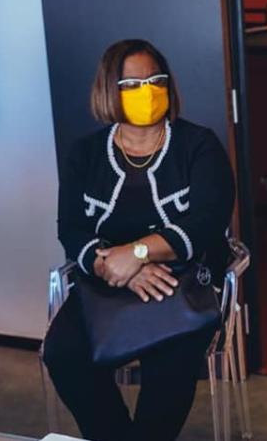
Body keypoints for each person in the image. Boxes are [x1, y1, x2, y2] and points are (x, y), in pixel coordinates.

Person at [42, 39, 235, 441]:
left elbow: (207, 220)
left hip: (181, 283)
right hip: (106, 282)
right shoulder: (85, 153)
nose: (146, 91)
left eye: (155, 80)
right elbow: (71, 228)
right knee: (63, 354)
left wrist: (138, 252)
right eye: (131, 84)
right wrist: (119, 268)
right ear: (109, 91)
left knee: (170, 361)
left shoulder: (199, 145)